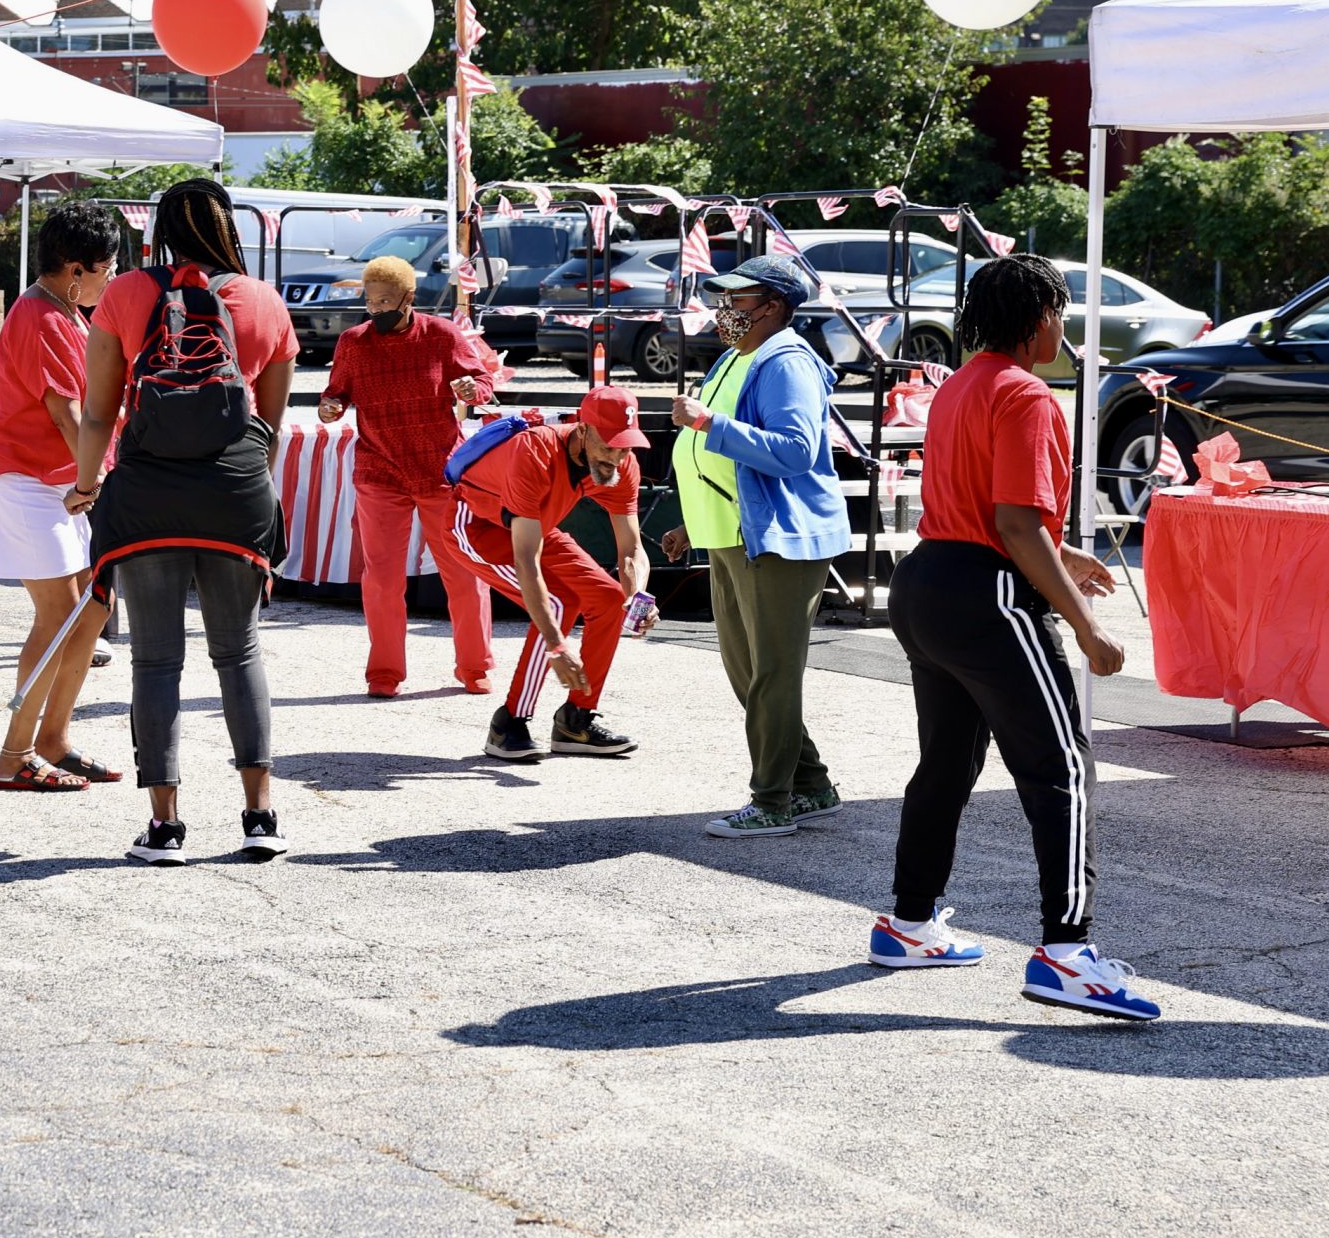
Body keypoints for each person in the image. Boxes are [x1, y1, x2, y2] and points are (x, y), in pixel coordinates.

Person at [867, 254, 1156, 1021]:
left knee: (946, 763)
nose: (1064, 328)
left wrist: (1062, 556)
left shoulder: (960, 384)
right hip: (986, 593)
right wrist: (1087, 626)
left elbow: (988, 512)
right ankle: (1067, 953)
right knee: (1062, 765)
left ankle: (909, 922)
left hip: (925, 582)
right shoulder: (1027, 394)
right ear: (1039, 319)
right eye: (1061, 313)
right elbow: (1014, 523)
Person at [70, 178, 296, 866]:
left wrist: (87, 485)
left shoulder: (124, 294)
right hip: (234, 492)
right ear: (230, 228)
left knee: (156, 659)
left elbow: (98, 412)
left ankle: (165, 827)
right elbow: (270, 423)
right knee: (239, 653)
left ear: (159, 230)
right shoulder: (265, 301)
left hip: (148, 496)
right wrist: (243, 487)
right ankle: (259, 816)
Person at [664, 254, 854, 839]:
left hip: (777, 541)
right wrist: (690, 524)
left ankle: (772, 802)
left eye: (736, 298)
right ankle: (812, 787)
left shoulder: (785, 361)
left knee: (770, 676)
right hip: (732, 536)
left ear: (772, 306)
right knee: (751, 674)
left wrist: (708, 425)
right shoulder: (737, 356)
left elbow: (795, 451)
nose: (723, 308)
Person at [0, 200, 121, 791]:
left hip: (57, 480)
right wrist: (90, 481)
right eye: (108, 267)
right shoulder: (43, 316)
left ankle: (54, 740)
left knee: (95, 606)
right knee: (60, 614)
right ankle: (14, 755)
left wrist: (87, 479)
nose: (112, 278)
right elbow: (68, 413)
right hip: (26, 479)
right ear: (76, 269)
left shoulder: (64, 311)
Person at [317, 253, 496, 698]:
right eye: (370, 301)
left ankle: (475, 666)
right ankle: (384, 672)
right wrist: (330, 407)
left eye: (384, 301)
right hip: (379, 470)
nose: (375, 309)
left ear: (409, 297)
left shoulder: (442, 334)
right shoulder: (353, 342)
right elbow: (336, 393)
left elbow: (482, 383)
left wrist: (472, 389)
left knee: (464, 571)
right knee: (381, 579)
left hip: (440, 471)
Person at [450, 385, 655, 762]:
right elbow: (526, 560)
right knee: (560, 603)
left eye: (625, 447)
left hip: (534, 527)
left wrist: (637, 597)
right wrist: (557, 646)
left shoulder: (621, 465)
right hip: (475, 525)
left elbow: (631, 549)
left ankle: (576, 721)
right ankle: (509, 723)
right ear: (582, 430)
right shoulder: (535, 450)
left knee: (609, 599)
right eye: (608, 446)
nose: (616, 457)